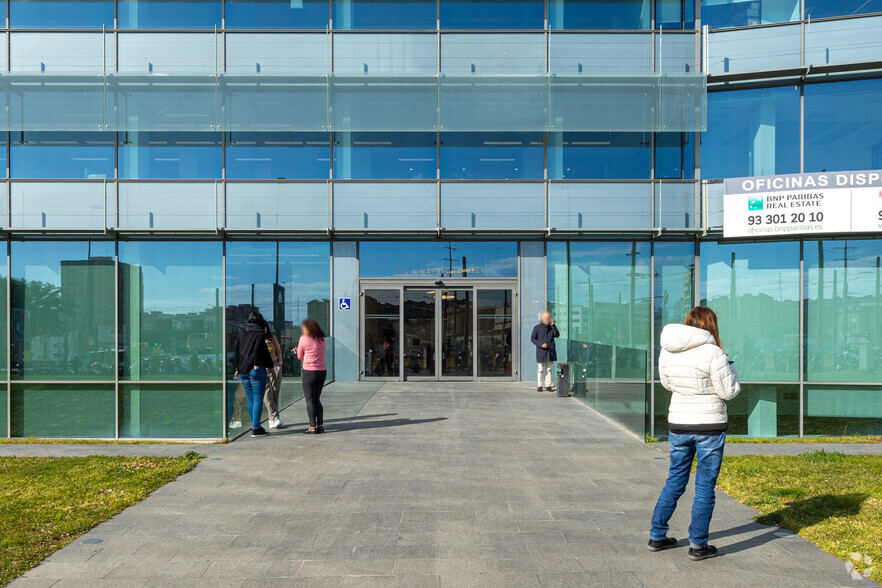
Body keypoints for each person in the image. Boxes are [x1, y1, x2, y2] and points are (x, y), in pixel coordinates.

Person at [648, 306, 741, 561]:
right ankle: (698, 545)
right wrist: (731, 370)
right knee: (704, 487)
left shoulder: (667, 349)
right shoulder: (714, 352)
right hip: (709, 426)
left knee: (675, 480)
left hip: (679, 423)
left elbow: (668, 384)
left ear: (688, 322)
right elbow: (729, 391)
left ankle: (657, 535)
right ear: (711, 325)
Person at [233, 312, 275, 437]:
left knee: (251, 399)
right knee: (258, 399)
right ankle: (256, 428)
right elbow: (256, 349)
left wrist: (237, 368)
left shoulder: (242, 332)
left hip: (243, 371)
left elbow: (237, 351)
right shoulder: (259, 332)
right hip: (255, 370)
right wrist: (256, 365)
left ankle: (255, 425)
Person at [293, 318, 327, 434]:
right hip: (322, 371)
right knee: (317, 399)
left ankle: (312, 426)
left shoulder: (304, 338)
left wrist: (297, 351)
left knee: (310, 400)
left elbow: (300, 356)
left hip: (309, 372)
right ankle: (320, 426)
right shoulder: (322, 339)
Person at [530, 311, 560, 392]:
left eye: (548, 317)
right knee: (540, 369)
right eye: (546, 317)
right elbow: (533, 338)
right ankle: (540, 385)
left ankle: (548, 385)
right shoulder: (537, 328)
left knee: (549, 369)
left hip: (550, 351)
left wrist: (553, 325)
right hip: (541, 351)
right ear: (542, 318)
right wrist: (540, 344)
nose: (547, 319)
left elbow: (557, 334)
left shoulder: (551, 327)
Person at [262, 322, 284, 429]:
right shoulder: (257, 339)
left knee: (275, 391)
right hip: (262, 367)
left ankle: (271, 419)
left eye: (265, 327)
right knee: (266, 392)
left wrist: (279, 364)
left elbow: (279, 351)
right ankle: (276, 417)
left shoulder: (272, 338)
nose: (264, 329)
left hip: (274, 365)